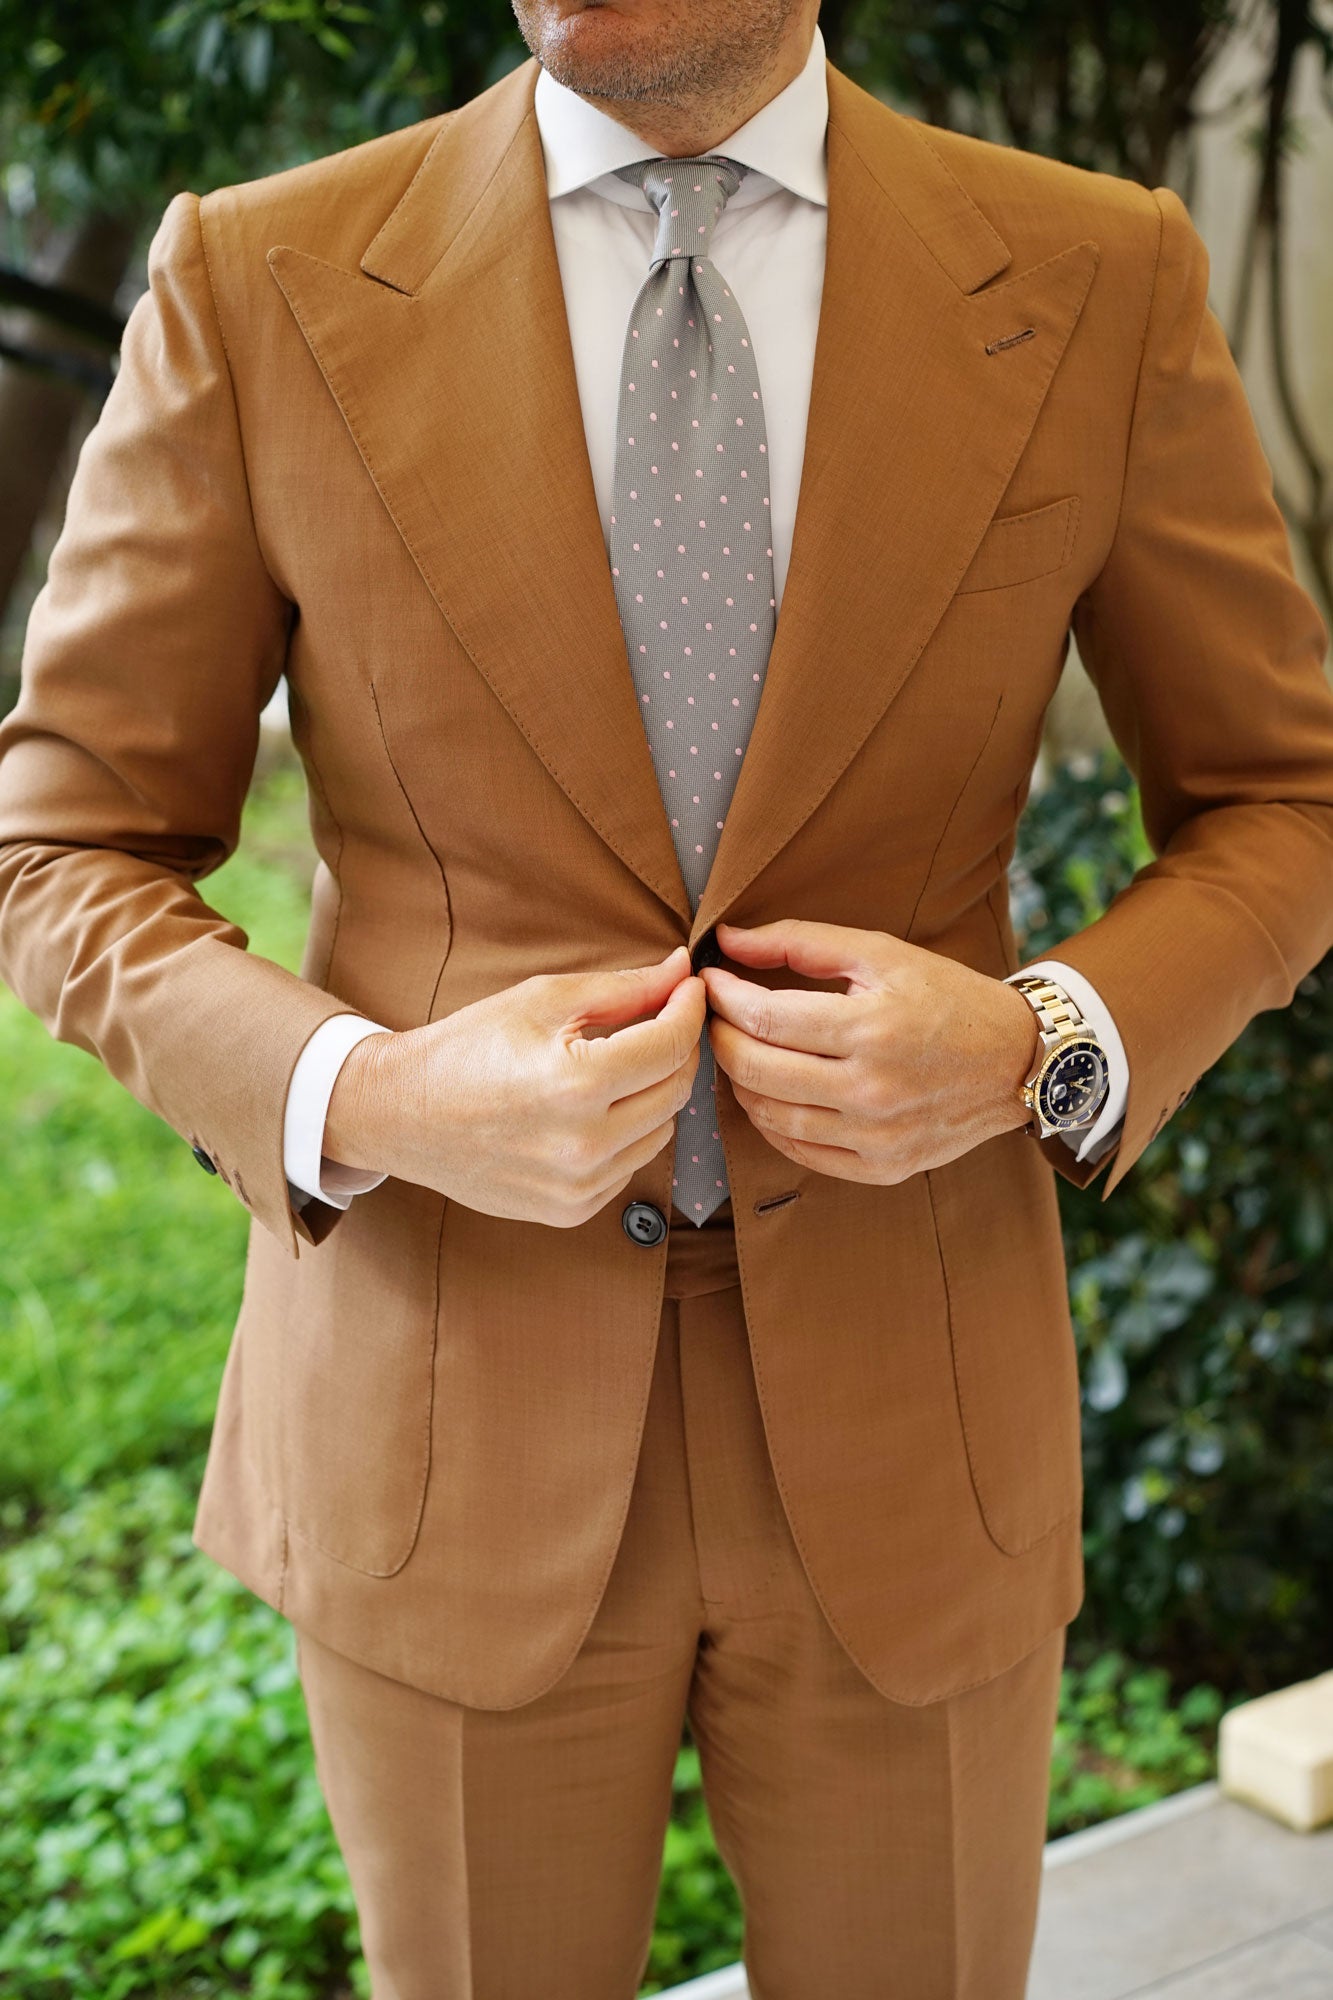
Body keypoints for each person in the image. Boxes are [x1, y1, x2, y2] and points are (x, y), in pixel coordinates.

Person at [2, 0, 1331, 1993]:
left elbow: (1280, 796)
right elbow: (63, 845)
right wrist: (373, 1092)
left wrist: (1038, 1034)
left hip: (917, 1406)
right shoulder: (256, 274)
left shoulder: (1087, 273)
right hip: (444, 1405)